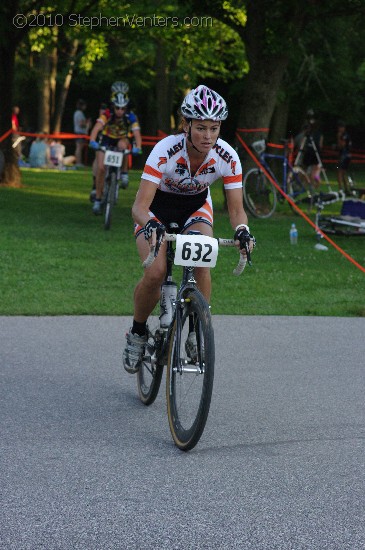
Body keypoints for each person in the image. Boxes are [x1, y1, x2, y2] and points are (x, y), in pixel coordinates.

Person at [122, 84, 255, 374]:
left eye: (214, 128)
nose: (208, 136)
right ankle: (138, 330)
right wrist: (151, 224)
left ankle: (196, 329)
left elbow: (235, 210)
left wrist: (242, 230)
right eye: (201, 128)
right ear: (186, 125)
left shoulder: (228, 156)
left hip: (195, 208)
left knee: (201, 260)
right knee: (156, 273)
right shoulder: (165, 150)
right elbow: (138, 208)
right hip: (155, 208)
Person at [89, 91, 142, 215]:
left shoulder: (130, 116)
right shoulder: (107, 114)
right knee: (101, 169)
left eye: (123, 108)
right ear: (113, 106)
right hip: (106, 139)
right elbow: (97, 127)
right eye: (117, 108)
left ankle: (123, 173)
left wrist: (138, 147)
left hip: (121, 139)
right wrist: (92, 140)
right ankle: (98, 199)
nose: (120, 111)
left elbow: (137, 133)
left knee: (123, 146)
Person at [296, 109, 324, 188]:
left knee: (311, 171)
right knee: (311, 171)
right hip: (312, 152)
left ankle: (308, 185)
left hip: (313, 152)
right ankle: (308, 185)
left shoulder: (316, 133)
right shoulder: (316, 133)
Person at [336, 121, 352, 195]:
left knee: (339, 172)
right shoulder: (347, 135)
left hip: (344, 155)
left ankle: (340, 190)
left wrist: (338, 138)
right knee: (344, 173)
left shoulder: (343, 135)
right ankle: (346, 189)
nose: (339, 129)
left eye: (340, 127)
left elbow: (341, 146)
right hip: (348, 155)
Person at [73, 99, 90, 167]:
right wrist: (87, 123)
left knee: (78, 148)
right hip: (80, 133)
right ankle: (78, 162)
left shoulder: (76, 113)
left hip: (78, 132)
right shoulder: (79, 113)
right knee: (79, 148)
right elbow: (81, 124)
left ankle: (78, 162)